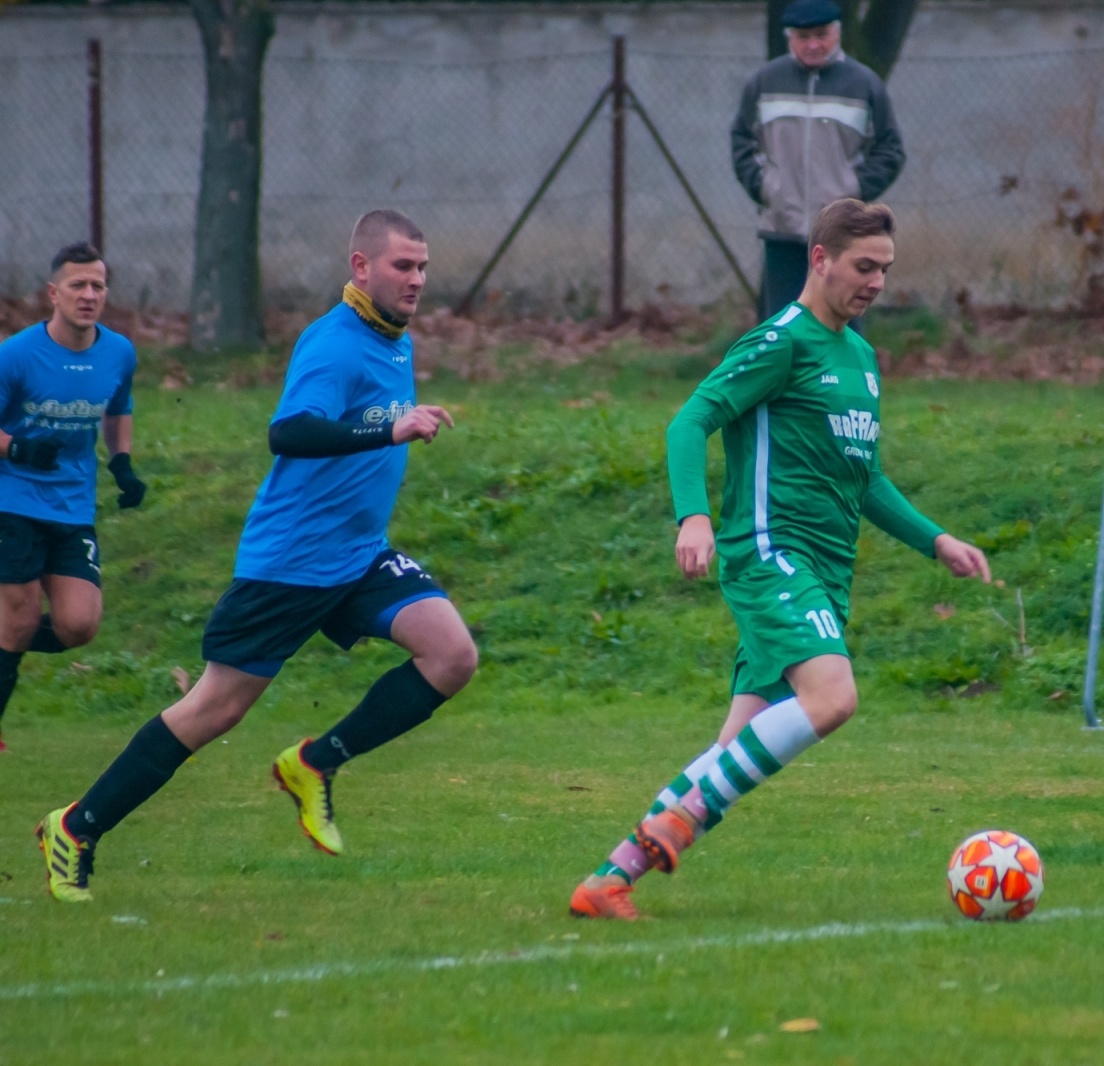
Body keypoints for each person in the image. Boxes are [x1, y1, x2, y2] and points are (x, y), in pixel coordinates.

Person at [36, 210, 478, 902]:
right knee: (211, 711)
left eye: (423, 267)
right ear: (361, 267)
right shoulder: (334, 343)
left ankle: (314, 763)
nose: (417, 279)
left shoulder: (395, 339)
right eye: (403, 266)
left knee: (452, 654)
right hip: (290, 564)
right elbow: (291, 432)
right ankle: (77, 825)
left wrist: (387, 426)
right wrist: (388, 427)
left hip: (357, 556)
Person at [569, 198, 990, 920]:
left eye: (886, 270)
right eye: (864, 267)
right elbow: (690, 421)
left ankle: (608, 880)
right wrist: (694, 516)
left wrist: (936, 539)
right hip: (771, 555)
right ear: (819, 259)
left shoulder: (860, 357)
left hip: (826, 574)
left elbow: (867, 477)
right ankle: (676, 825)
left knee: (736, 746)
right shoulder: (780, 342)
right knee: (833, 699)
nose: (877, 284)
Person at [0, 242, 145, 753]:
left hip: (73, 506)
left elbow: (119, 406)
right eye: (78, 285)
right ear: (53, 293)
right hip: (12, 500)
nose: (88, 295)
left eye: (97, 286)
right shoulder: (16, 355)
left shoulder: (119, 351)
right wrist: (18, 447)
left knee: (78, 624)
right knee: (16, 621)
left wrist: (122, 462)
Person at [731, 0, 906, 320]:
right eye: (803, 36)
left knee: (844, 324)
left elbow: (891, 149)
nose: (813, 44)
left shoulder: (864, 84)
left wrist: (852, 191)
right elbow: (741, 141)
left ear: (837, 32)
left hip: (843, 237)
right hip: (782, 230)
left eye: (822, 34)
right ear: (789, 37)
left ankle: (846, 374)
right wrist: (766, 188)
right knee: (783, 329)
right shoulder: (765, 82)